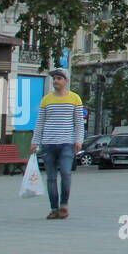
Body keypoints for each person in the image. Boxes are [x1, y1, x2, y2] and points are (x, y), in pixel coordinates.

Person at [30, 69, 84, 219]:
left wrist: (79, 140)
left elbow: (79, 122)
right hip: (48, 143)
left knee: (66, 173)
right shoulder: (46, 100)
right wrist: (35, 141)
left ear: (66, 81)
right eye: (54, 79)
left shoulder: (75, 99)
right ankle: (54, 208)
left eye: (59, 78)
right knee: (51, 177)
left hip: (67, 142)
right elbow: (40, 122)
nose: (56, 81)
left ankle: (64, 205)